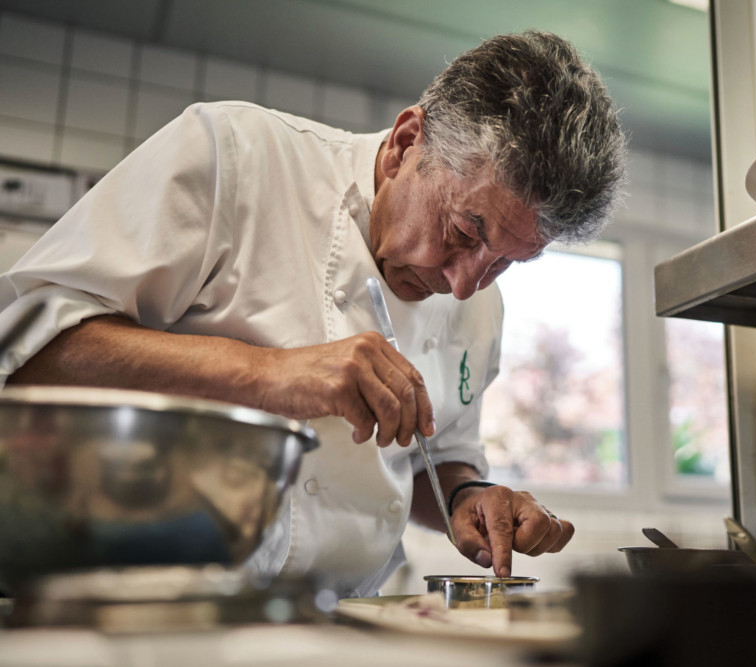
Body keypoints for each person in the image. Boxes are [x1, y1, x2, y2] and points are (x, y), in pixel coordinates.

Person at [0, 30, 627, 597]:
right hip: (152, 612)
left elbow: (433, 460)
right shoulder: (236, 158)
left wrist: (469, 495)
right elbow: (25, 347)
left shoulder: (482, 306)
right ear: (407, 143)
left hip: (346, 622)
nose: (464, 285)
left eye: (509, 261)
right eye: (464, 229)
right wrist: (270, 373)